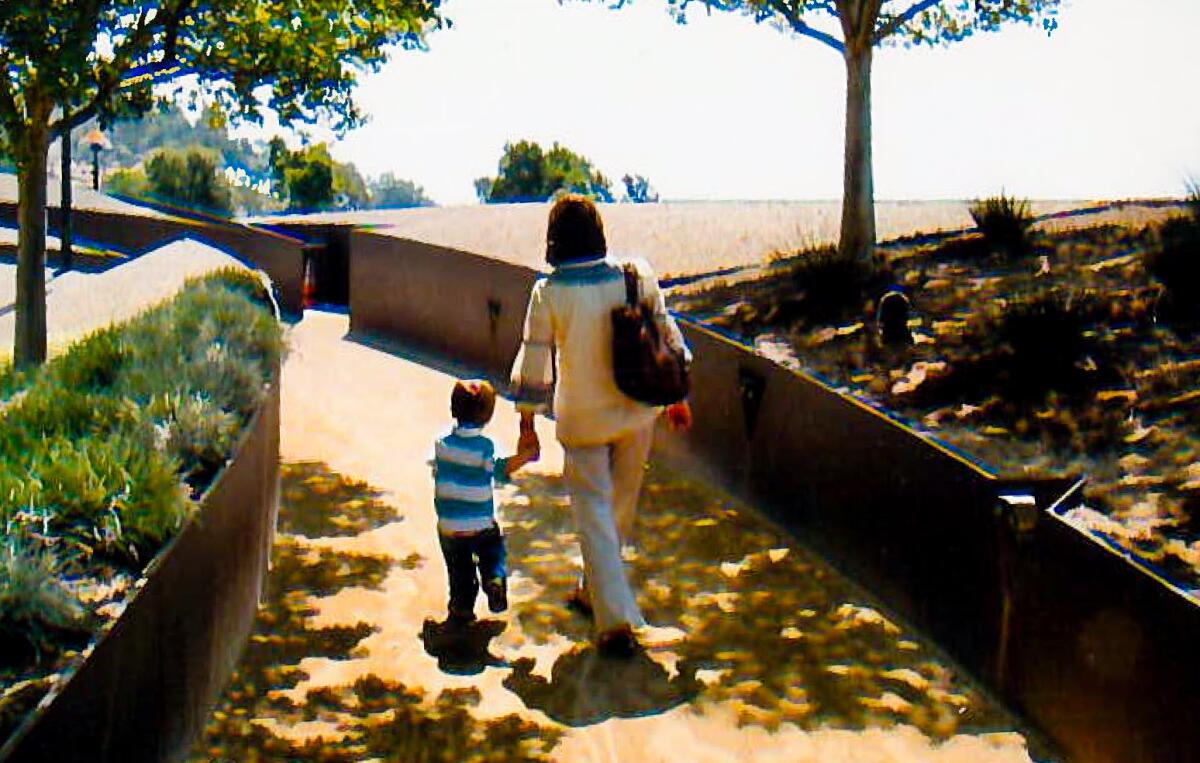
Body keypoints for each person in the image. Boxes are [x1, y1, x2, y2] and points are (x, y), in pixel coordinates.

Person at [510, 194, 693, 656]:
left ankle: (611, 622)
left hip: (583, 419)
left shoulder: (548, 292)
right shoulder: (636, 275)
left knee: (593, 514)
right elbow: (667, 335)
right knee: (619, 510)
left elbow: (536, 361)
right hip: (637, 411)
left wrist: (527, 423)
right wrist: (679, 396)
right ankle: (598, 596)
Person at [433, 379, 537, 626]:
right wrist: (525, 457)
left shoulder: (441, 445)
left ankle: (461, 608)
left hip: (449, 526)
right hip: (480, 523)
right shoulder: (484, 448)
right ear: (488, 416)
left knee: (459, 571)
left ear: (453, 409)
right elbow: (501, 469)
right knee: (492, 551)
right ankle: (494, 580)